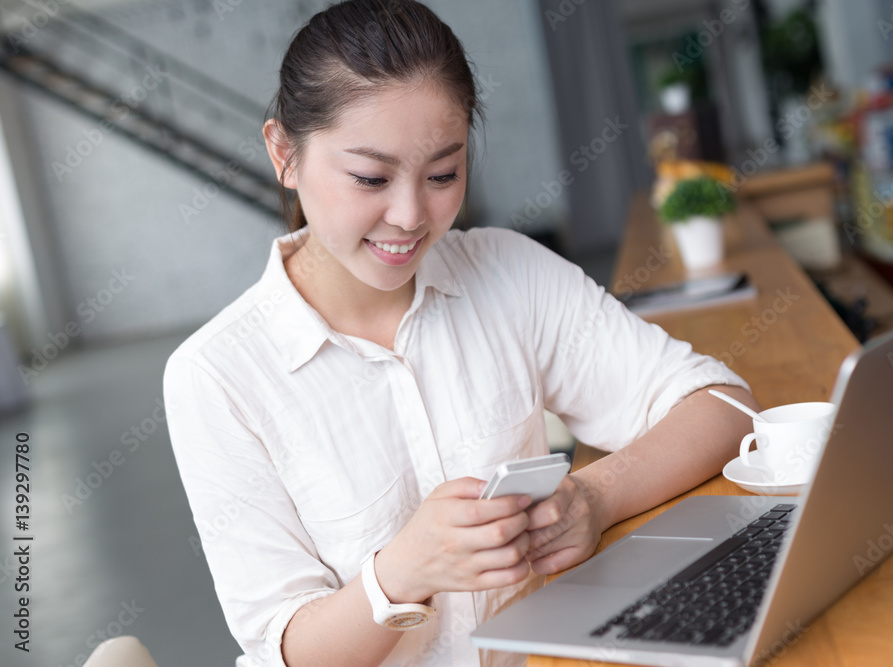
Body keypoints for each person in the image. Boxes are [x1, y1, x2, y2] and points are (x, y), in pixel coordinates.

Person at [162, 1, 759, 666]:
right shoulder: (216, 376)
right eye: (371, 177)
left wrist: (594, 495)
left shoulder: (508, 271)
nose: (412, 214)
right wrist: (402, 572)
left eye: (443, 174)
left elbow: (725, 407)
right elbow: (289, 652)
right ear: (284, 154)